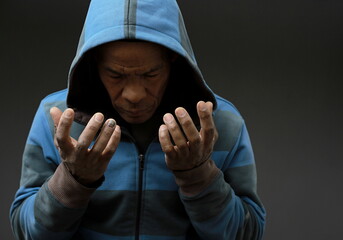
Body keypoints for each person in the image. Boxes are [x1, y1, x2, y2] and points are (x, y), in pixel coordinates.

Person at [10, 0, 266, 239]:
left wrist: (198, 176)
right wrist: (73, 180)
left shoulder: (220, 123)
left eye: (151, 74)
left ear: (174, 58)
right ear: (93, 61)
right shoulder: (56, 121)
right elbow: (27, 232)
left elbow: (248, 232)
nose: (134, 95)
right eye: (115, 75)